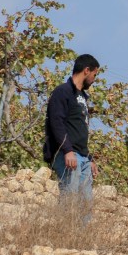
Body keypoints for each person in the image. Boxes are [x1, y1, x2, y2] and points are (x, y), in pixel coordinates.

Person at [44, 54, 101, 198]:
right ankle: (63, 222)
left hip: (82, 157)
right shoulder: (63, 92)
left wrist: (89, 159)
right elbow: (56, 122)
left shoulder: (81, 97)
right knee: (69, 202)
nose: (94, 80)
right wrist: (68, 150)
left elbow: (78, 130)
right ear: (86, 70)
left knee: (85, 206)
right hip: (68, 155)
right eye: (94, 75)